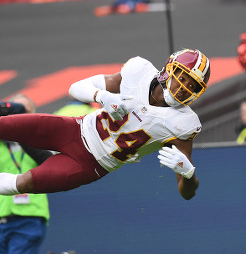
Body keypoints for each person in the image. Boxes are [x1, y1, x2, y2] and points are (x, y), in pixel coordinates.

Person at [0, 49, 211, 202]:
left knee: (24, 183)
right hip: (74, 129)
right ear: (169, 70)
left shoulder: (183, 125)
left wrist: (188, 174)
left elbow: (187, 193)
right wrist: (102, 96)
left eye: (193, 86)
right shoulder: (139, 73)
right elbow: (75, 88)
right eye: (183, 78)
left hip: (90, 164)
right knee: (5, 125)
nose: (184, 88)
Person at [0, 94, 52, 254]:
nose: (20, 117)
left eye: (25, 112)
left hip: (30, 217)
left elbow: (49, 161)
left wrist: (20, 132)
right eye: (16, 111)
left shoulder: (44, 139)